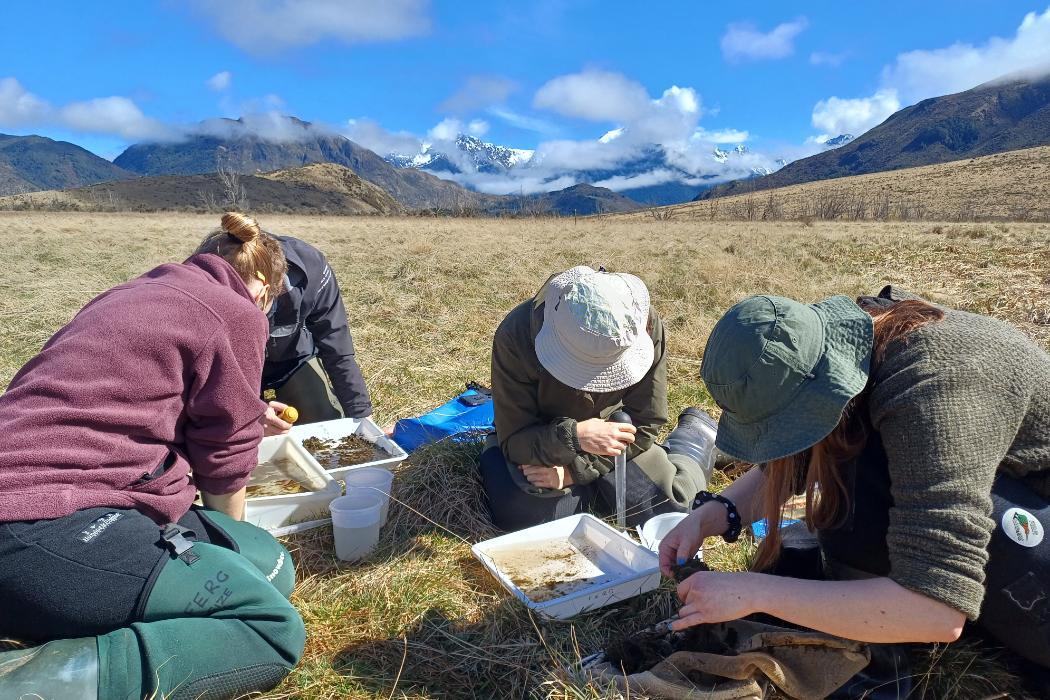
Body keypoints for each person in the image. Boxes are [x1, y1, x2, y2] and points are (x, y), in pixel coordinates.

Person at [659, 286, 1050, 670]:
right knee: (851, 479)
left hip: (1035, 525)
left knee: (858, 496)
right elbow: (801, 451)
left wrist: (755, 593)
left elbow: (938, 609)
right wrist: (716, 513)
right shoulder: (849, 346)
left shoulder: (932, 395)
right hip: (993, 481)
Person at [0, 213, 307, 699]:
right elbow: (224, 453)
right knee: (269, 624)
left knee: (268, 563)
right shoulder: (236, 311)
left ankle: (66, 622)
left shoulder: (134, 293)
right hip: (36, 519)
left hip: (73, 492)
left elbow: (127, 404)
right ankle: (33, 682)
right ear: (264, 288)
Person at [481, 265, 719, 532]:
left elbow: (645, 421)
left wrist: (575, 471)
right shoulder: (516, 335)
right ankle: (604, 494)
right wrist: (575, 438)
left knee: (675, 508)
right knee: (523, 515)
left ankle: (695, 439)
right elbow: (515, 439)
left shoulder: (642, 324)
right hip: (545, 440)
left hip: (614, 438)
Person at [196, 233, 372, 435]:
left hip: (292, 357)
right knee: (233, 433)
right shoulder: (199, 278)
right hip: (229, 368)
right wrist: (248, 413)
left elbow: (337, 348)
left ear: (272, 289)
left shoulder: (312, 269)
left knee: (323, 424)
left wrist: (362, 417)